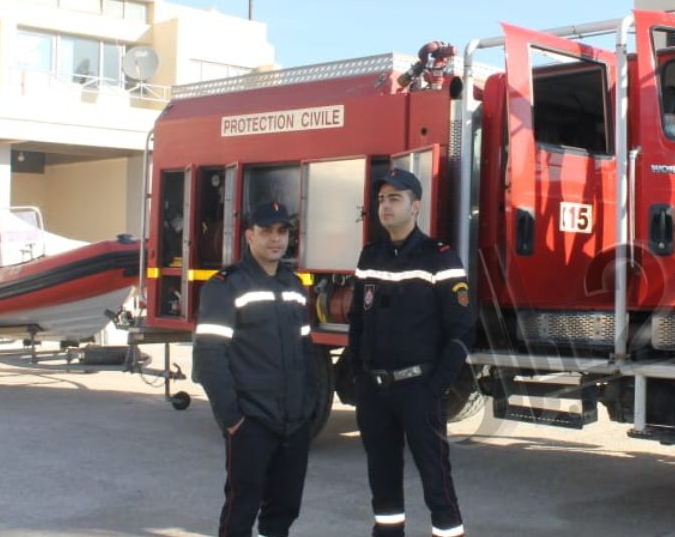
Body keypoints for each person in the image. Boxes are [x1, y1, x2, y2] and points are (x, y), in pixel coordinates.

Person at [349, 168, 476, 537]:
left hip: (419, 390)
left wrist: (435, 387)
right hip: (375, 392)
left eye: (395, 199)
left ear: (415, 206)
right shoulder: (370, 255)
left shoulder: (440, 257)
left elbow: (462, 329)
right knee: (383, 486)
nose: (385, 206)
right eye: (381, 199)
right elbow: (357, 323)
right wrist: (359, 376)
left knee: (437, 484)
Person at [192, 201, 319, 537]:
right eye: (266, 231)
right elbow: (208, 357)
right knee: (242, 507)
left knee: (285, 508)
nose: (275, 239)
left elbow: (307, 352)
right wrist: (232, 419)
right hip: (252, 421)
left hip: (294, 422)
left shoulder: (293, 285)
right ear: (249, 235)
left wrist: (309, 407)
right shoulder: (226, 286)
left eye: (282, 231)